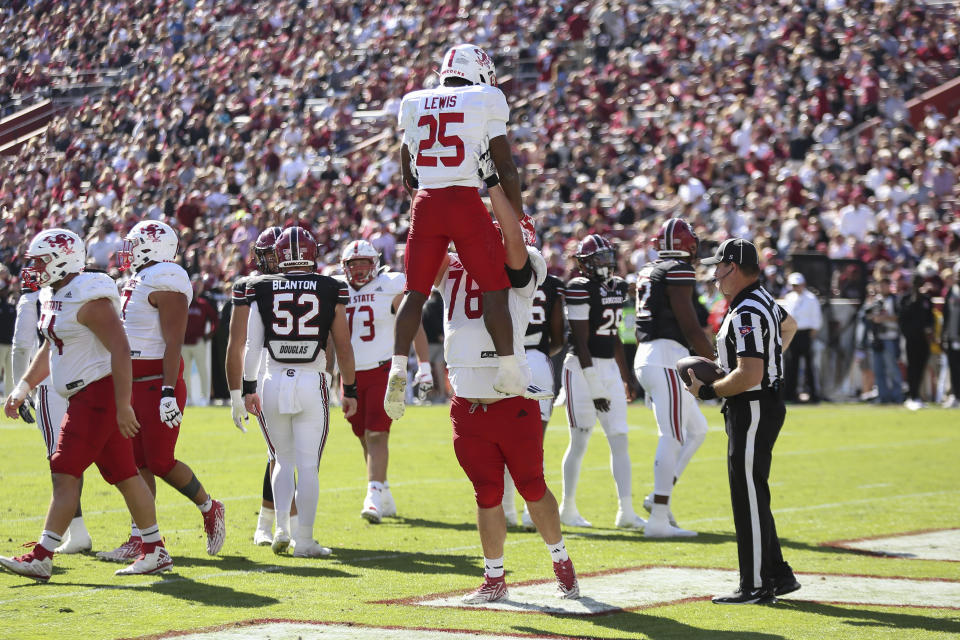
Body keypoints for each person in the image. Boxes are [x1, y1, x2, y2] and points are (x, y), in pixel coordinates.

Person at [1, 229, 172, 580]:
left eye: (40, 260)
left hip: (96, 395)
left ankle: (42, 555)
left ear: (63, 258)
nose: (33, 267)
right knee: (126, 474)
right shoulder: (56, 293)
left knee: (64, 470)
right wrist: (22, 387)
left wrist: (124, 405)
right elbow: (52, 345)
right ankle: (155, 549)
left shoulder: (89, 298)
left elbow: (121, 350)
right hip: (86, 395)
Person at [438, 182, 578, 603]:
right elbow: (425, 243)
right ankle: (494, 579)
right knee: (486, 494)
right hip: (467, 403)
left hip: (511, 401)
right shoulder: (452, 262)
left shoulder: (526, 261)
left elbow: (512, 246)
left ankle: (562, 562)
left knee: (532, 486)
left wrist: (494, 190)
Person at [386, 43, 533, 420]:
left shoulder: (414, 99)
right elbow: (506, 165)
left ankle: (398, 368)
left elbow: (407, 168)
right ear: (479, 70)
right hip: (465, 199)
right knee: (495, 289)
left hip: (427, 202)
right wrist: (515, 214)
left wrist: (426, 189)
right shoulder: (486, 97)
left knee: (415, 294)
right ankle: (509, 369)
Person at [97, 221, 225, 563]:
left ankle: (210, 507)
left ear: (153, 246)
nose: (128, 249)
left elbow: (173, 341)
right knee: (137, 464)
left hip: (158, 383)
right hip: (131, 384)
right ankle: (142, 539)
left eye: (135, 243)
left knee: (159, 461)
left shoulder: (166, 277)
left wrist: (168, 390)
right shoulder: (139, 278)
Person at [686, 238, 799, 605]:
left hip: (751, 406)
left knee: (747, 494)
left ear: (732, 267)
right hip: (760, 403)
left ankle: (754, 584)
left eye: (718, 266)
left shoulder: (747, 310)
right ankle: (778, 574)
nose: (714, 274)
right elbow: (789, 326)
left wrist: (708, 391)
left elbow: (749, 374)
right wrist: (770, 360)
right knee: (754, 491)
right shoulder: (763, 299)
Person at [239, 227, 358, 557]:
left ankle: (280, 528)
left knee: (280, 459)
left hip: (272, 379)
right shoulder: (331, 287)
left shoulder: (261, 286)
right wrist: (350, 388)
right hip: (311, 379)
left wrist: (248, 388)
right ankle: (304, 540)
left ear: (279, 255)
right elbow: (344, 346)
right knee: (307, 466)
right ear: (312, 253)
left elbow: (252, 345)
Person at [338, 239, 432, 523]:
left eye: (363, 264)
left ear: (375, 264)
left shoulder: (389, 285)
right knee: (364, 436)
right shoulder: (338, 290)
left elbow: (411, 322)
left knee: (378, 433)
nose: (358, 270)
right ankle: (384, 490)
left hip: (382, 369)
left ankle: (373, 495)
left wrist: (424, 364)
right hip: (350, 374)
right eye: (352, 265)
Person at [633, 218, 715, 538]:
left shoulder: (649, 269)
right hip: (666, 357)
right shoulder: (678, 270)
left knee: (696, 430)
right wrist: (714, 362)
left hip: (653, 356)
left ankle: (657, 500)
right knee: (672, 435)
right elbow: (690, 323)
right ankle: (658, 521)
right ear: (688, 245)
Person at [558, 234, 644, 529]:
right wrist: (595, 387)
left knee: (620, 439)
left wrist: (625, 376)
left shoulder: (618, 287)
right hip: (582, 371)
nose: (606, 264)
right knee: (579, 440)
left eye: (608, 257)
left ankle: (626, 512)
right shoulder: (579, 288)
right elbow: (581, 343)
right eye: (599, 259)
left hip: (608, 367)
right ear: (585, 264)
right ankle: (567, 508)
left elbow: (616, 336)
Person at [225, 226, 298, 546]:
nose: (269, 260)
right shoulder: (253, 288)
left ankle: (268, 524)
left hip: (303, 374)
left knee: (285, 455)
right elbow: (238, 343)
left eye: (274, 253)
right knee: (282, 455)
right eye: (266, 254)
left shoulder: (307, 283)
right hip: (269, 376)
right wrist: (238, 392)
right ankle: (289, 527)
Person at [11, 282, 91, 553]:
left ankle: (77, 532)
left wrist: (21, 386)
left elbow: (22, 346)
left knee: (61, 459)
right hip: (84, 378)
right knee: (101, 457)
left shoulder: (33, 298)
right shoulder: (78, 290)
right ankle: (141, 533)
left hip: (49, 380)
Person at [504, 263, 565, 530]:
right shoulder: (549, 282)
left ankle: (505, 509)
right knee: (532, 444)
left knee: (501, 440)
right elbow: (559, 336)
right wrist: (538, 354)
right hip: (538, 362)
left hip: (505, 360)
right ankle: (531, 513)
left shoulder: (498, 274)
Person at [781, 272, 822, 403]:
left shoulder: (811, 298)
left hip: (805, 333)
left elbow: (816, 318)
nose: (795, 288)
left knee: (809, 365)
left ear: (803, 285)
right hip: (792, 333)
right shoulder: (789, 297)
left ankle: (813, 394)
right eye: (793, 285)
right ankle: (790, 394)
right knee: (790, 364)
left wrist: (812, 332)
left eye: (797, 285)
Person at [898, 275, 934, 411]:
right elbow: (902, 319)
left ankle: (917, 395)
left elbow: (930, 319)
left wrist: (928, 331)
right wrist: (908, 334)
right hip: (910, 340)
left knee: (920, 367)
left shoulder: (926, 300)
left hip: (923, 339)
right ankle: (912, 396)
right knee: (911, 367)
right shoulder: (906, 299)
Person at [182, 274, 219, 406]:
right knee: (184, 373)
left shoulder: (203, 305)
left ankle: (205, 397)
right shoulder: (182, 305)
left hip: (198, 342)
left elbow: (215, 319)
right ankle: (188, 398)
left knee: (203, 370)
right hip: (184, 343)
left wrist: (210, 334)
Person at [942, 263, 960, 408]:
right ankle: (956, 395)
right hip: (953, 337)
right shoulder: (951, 292)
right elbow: (946, 316)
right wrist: (945, 336)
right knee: (953, 368)